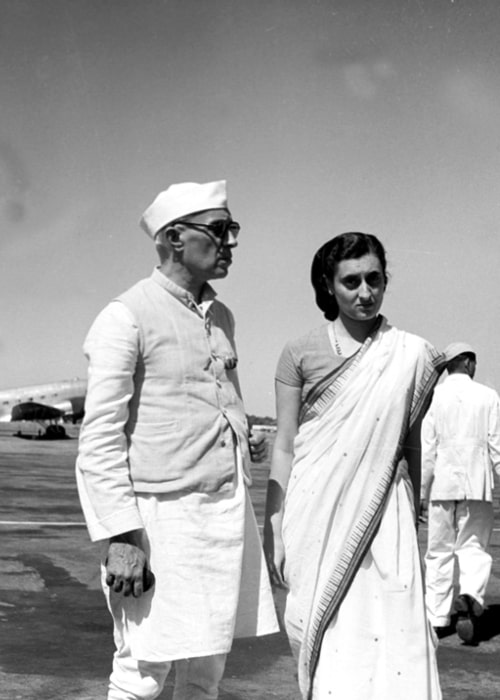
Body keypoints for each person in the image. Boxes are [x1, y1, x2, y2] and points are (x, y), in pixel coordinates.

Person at [76, 180, 278, 700]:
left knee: (206, 674)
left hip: (224, 513)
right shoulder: (125, 316)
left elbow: (213, 400)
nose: (230, 241)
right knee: (143, 673)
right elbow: (99, 438)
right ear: (172, 238)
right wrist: (121, 537)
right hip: (159, 518)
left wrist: (242, 437)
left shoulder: (222, 317)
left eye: (232, 229)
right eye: (218, 230)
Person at [264, 232, 445, 700]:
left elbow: (407, 443)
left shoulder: (411, 355)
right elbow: (285, 443)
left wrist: (413, 505)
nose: (364, 293)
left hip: (386, 512)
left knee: (395, 632)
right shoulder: (299, 352)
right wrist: (275, 522)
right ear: (328, 285)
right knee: (327, 632)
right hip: (313, 513)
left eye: (374, 279)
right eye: (350, 282)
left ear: (386, 280)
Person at [421, 342, 500, 643]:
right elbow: (497, 447)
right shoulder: (487, 396)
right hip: (476, 484)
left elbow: (427, 448)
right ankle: (469, 595)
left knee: (438, 550)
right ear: (468, 363)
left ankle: (437, 619)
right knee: (473, 546)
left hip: (442, 482)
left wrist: (421, 491)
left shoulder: (435, 397)